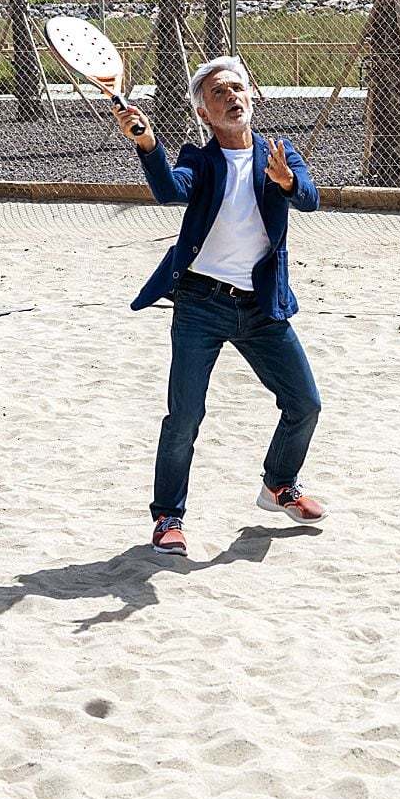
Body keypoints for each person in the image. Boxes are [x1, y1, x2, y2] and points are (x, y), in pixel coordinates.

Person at [116, 55, 327, 556]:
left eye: (238, 88)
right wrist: (147, 142)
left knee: (305, 403)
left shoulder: (280, 153)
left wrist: (288, 183)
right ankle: (168, 517)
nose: (231, 96)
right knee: (184, 416)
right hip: (200, 304)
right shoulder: (200, 159)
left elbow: (311, 199)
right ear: (204, 114)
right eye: (218, 93)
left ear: (253, 96)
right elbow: (171, 190)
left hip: (262, 307)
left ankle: (279, 484)